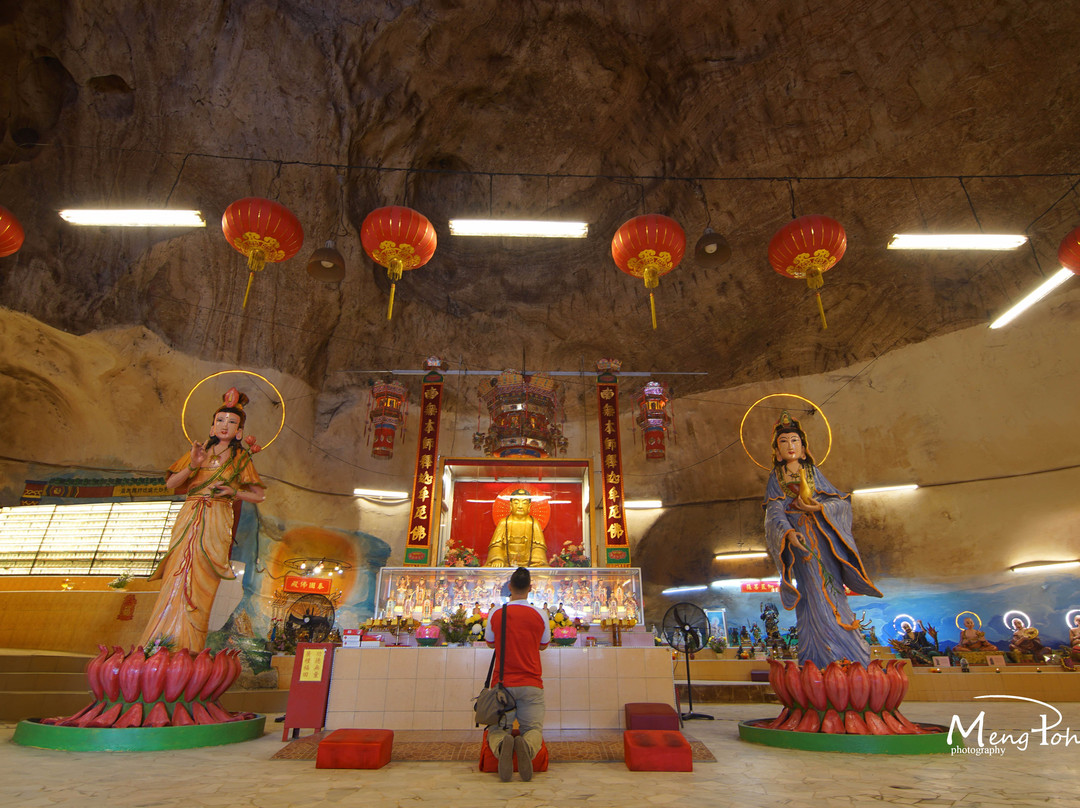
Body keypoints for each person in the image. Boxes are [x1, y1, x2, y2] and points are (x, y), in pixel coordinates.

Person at [139, 388, 265, 651]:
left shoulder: (241, 458)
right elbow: (171, 483)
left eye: (232, 423)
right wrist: (193, 465)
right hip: (191, 513)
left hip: (218, 517)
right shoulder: (198, 452)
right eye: (220, 420)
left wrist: (233, 492)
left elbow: (258, 496)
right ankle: (159, 641)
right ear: (211, 427)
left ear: (239, 432)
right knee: (177, 572)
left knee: (203, 578)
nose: (225, 426)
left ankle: (191, 644)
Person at [763, 412, 882, 668]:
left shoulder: (813, 473)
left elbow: (839, 500)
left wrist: (821, 509)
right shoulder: (777, 478)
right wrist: (787, 532)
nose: (790, 446)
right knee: (812, 594)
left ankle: (849, 655)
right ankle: (817, 657)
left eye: (795, 440)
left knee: (832, 589)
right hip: (802, 544)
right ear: (777, 452)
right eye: (783, 442)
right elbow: (774, 510)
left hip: (822, 538)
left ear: (804, 449)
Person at [483, 567, 550, 782]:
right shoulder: (540, 614)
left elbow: (490, 642)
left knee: (496, 730)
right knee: (533, 729)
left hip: (503, 684)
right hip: (531, 682)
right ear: (531, 588)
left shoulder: (496, 612)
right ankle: (527, 746)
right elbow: (543, 645)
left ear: (509, 586)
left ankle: (504, 745)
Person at [485, 489, 549, 567]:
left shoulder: (533, 523)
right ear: (511, 505)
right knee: (491, 572)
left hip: (528, 564)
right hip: (506, 563)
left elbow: (538, 546)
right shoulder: (504, 522)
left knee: (542, 573)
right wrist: (497, 559)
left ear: (529, 506)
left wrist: (537, 560)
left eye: (524, 503)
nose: (520, 506)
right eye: (516, 502)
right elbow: (496, 545)